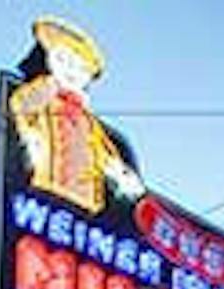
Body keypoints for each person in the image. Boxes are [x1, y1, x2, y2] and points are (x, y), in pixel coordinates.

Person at [10, 16, 144, 216]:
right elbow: (20, 106)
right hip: (48, 188)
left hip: (86, 202)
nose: (72, 70)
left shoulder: (89, 123)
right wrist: (31, 137)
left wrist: (119, 173)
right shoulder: (45, 94)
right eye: (64, 60)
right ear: (51, 59)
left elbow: (104, 153)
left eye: (81, 68)